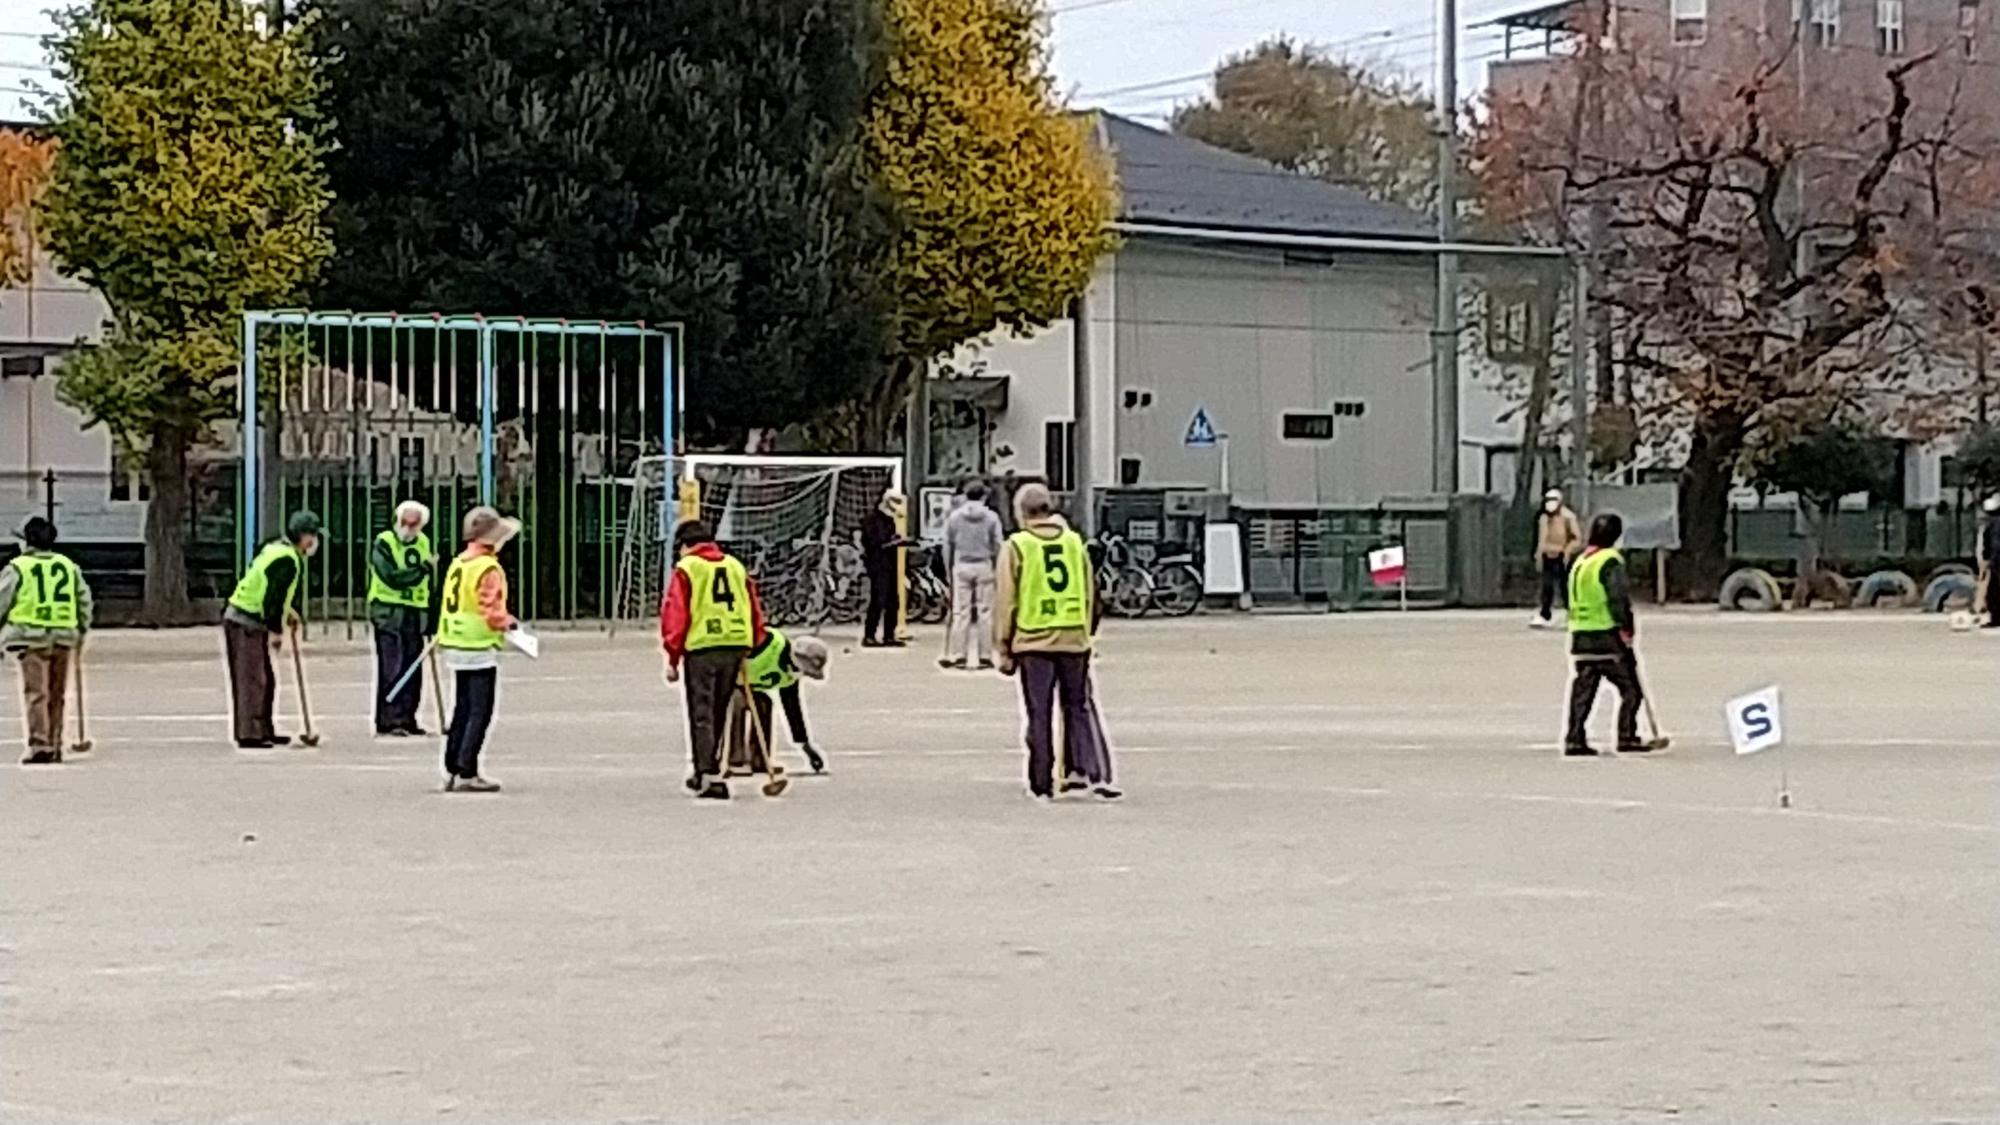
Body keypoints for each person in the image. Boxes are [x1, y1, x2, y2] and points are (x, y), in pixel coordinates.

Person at [994, 483, 1119, 802]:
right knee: (1076, 706)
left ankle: (1041, 781)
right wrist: (1087, 630)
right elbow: (1091, 591)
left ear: (1021, 513)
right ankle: (1081, 771)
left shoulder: (1017, 546)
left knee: (1039, 713)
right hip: (1073, 637)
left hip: (1034, 640)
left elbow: (1007, 599)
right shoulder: (1074, 542)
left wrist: (1003, 644)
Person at [661, 520, 768, 800]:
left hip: (703, 646)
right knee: (719, 708)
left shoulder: (688, 569)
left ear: (684, 546)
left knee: (702, 712)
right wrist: (754, 640)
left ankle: (707, 772)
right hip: (734, 643)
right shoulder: (735, 566)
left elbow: (676, 613)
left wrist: (672, 655)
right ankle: (708, 768)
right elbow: (752, 604)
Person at [436, 506, 521, 793]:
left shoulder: (459, 562)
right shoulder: (488, 568)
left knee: (461, 707)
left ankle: (451, 765)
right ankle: (467, 768)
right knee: (480, 710)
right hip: (478, 643)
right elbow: (491, 608)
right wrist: (509, 624)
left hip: (455, 641)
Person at [223, 511, 320, 749]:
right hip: (246, 619)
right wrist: (276, 631)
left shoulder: (276, 549)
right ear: (303, 536)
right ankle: (250, 733)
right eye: (313, 536)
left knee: (266, 679)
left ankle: (264, 728)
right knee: (253, 679)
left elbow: (276, 594)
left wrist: (289, 613)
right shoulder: (286, 559)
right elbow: (272, 597)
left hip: (250, 616)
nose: (314, 543)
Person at [0, 517, 92, 765]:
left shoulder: (18, 567)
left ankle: (40, 744)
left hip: (30, 637)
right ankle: (55, 742)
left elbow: (2, 600)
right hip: (63, 635)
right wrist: (82, 629)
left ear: (27, 542)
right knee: (57, 693)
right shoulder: (67, 566)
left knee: (36, 693)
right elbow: (83, 600)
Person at [1563, 512, 1646, 757]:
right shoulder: (1610, 561)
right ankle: (1626, 735)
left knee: (1583, 691)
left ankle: (1574, 737)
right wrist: (1626, 627)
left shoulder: (1579, 561)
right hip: (1607, 635)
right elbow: (1617, 597)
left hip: (1580, 634)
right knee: (1631, 689)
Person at [368, 500, 436, 735]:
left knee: (412, 667)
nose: (408, 527)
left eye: (414, 523)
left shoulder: (424, 543)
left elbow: (430, 584)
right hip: (388, 611)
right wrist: (421, 571)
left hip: (415, 611)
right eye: (404, 522)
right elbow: (391, 577)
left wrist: (431, 617)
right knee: (392, 666)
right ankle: (389, 719)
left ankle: (407, 717)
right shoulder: (384, 542)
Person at [726, 628, 829, 776]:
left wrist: (805, 746)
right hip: (730, 683)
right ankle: (734, 760)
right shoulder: (768, 643)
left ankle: (760, 760)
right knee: (737, 702)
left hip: (751, 686)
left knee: (764, 704)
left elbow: (792, 711)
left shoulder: (790, 675)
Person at [940, 479, 1004, 670]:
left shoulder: (954, 517)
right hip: (984, 565)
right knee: (985, 613)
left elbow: (947, 544)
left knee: (961, 612)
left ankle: (959, 654)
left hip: (961, 565)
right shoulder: (992, 517)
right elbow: (998, 544)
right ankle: (985, 656)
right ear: (984, 495)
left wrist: (948, 568)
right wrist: (997, 565)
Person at [1532, 488, 1584, 628]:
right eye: (1548, 500)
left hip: (1562, 556)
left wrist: (1568, 551)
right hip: (1547, 555)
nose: (1550, 504)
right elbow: (1541, 538)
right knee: (1547, 586)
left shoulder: (1568, 517)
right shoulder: (1543, 518)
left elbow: (1577, 538)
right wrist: (1539, 555)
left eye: (1553, 500)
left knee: (1565, 588)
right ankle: (1545, 614)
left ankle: (1572, 615)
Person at [861, 490, 905, 648]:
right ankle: (869, 635)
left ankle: (889, 635)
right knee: (878, 600)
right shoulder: (872, 520)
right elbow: (873, 542)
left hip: (890, 564)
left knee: (893, 600)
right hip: (878, 564)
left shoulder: (890, 520)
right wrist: (891, 542)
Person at [1980, 495, 2000, 627]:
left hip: (1997, 562)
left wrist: (1986, 561)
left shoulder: (1991, 524)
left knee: (1994, 592)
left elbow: (1987, 546)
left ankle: (1996, 618)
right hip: (1996, 561)